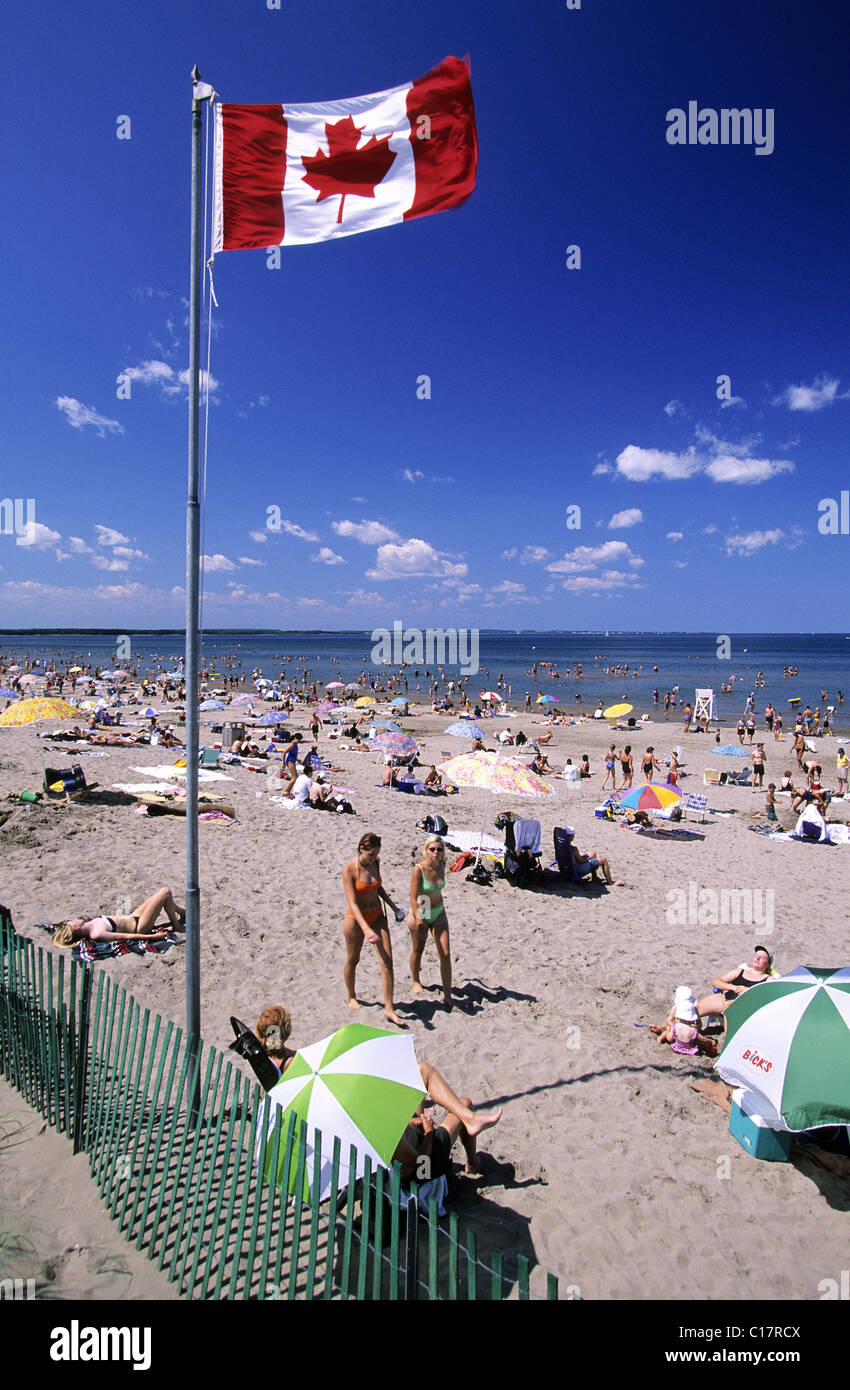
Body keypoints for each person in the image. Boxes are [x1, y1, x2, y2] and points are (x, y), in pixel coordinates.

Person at [393, 1060, 502, 1181]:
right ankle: (473, 1164)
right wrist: (429, 1133)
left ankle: (470, 1119)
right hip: (423, 1165)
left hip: (412, 1138)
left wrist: (413, 1121)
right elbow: (418, 1162)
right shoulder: (386, 1134)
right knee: (465, 1105)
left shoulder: (375, 1116)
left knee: (421, 1070)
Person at [342, 833, 405, 1026]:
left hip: (377, 915)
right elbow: (352, 902)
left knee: (387, 962)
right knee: (353, 959)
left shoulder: (376, 862)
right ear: (362, 849)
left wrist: (394, 908)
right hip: (356, 919)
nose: (373, 858)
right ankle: (351, 995)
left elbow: (378, 888)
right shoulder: (350, 870)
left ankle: (389, 1008)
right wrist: (366, 930)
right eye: (371, 855)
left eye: (376, 854)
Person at [53, 886, 185, 946]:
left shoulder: (90, 923)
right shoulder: (96, 933)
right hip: (139, 927)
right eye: (72, 921)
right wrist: (152, 937)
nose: (74, 919)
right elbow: (127, 936)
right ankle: (176, 925)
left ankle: (181, 911)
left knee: (158, 897)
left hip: (133, 917)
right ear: (76, 927)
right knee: (165, 892)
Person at [407, 836, 452, 1009]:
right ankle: (415, 980)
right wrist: (418, 918)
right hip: (422, 911)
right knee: (418, 949)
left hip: (439, 911)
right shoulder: (419, 869)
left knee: (445, 953)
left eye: (439, 849)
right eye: (432, 849)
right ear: (426, 850)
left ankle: (448, 994)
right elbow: (412, 896)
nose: (436, 853)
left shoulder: (442, 864)